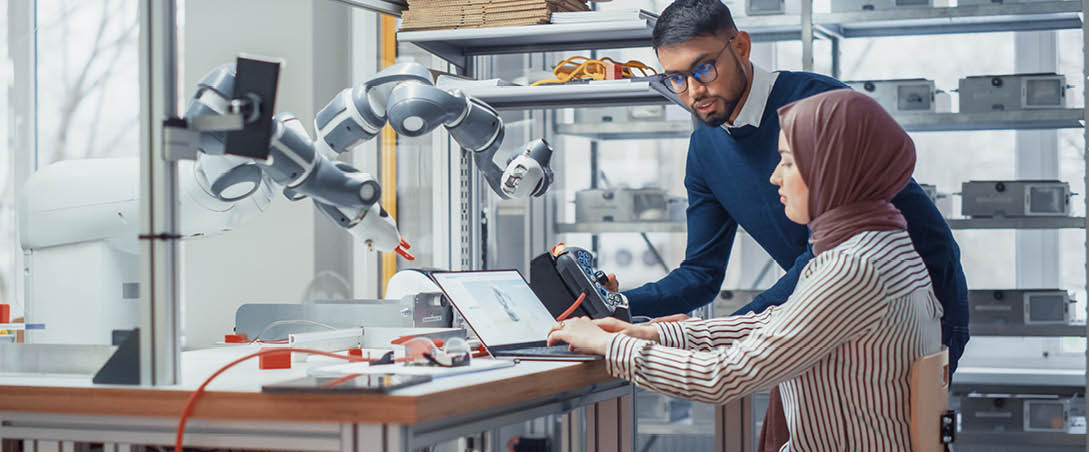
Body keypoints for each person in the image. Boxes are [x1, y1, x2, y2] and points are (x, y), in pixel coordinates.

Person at [602, 1, 969, 448]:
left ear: (740, 46)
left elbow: (825, 261)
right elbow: (699, 274)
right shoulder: (705, 146)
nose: (692, 92)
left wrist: (722, 345)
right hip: (826, 298)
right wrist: (611, 307)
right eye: (675, 79)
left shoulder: (816, 110)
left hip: (916, 302)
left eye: (703, 70)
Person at [550, 89, 943, 451]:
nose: (774, 176)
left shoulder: (851, 268)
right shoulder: (884, 246)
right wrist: (654, 332)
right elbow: (782, 322)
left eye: (788, 161)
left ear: (833, 168)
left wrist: (607, 344)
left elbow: (724, 377)